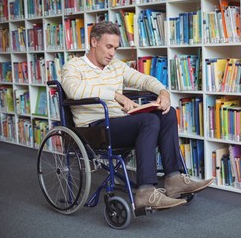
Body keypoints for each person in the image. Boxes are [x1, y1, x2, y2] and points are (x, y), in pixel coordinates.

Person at [61, 21, 214, 210]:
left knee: (167, 113)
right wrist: (116, 94)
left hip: (119, 123)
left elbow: (143, 79)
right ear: (94, 42)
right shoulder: (73, 66)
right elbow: (74, 90)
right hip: (94, 128)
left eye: (115, 48)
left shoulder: (116, 66)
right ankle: (145, 192)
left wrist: (163, 92)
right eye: (108, 47)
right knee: (148, 120)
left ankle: (174, 179)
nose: (112, 53)